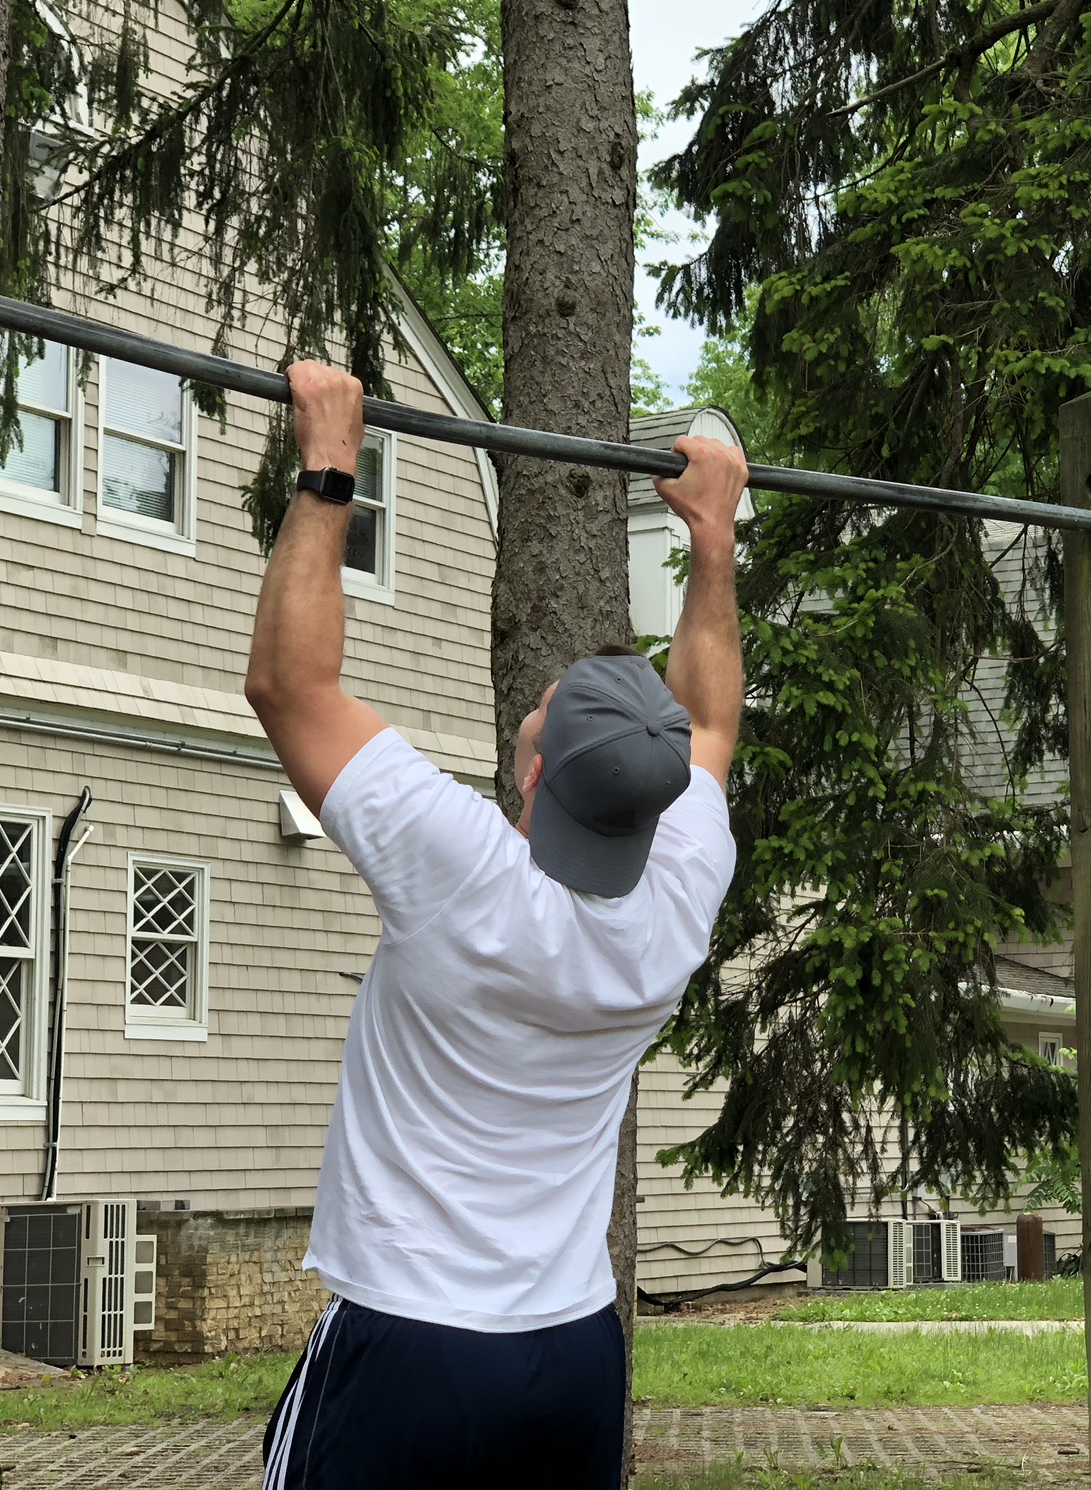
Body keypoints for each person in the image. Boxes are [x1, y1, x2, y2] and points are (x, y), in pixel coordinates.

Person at [243, 361, 749, 1489]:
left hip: (412, 1345)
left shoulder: (465, 871)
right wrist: (712, 541)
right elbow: (712, 721)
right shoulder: (678, 895)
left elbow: (289, 688)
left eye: (545, 713)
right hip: (573, 1355)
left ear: (533, 773)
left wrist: (330, 465)